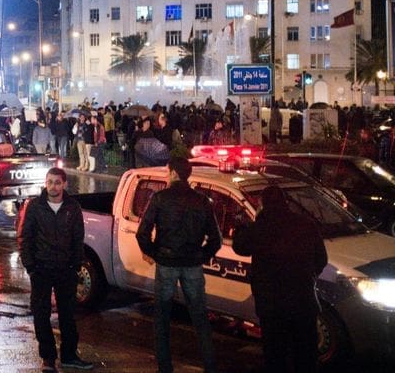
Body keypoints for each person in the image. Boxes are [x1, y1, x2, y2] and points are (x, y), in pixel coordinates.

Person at [136, 156, 221, 373]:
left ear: (173, 173)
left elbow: (142, 233)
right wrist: (201, 256)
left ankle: (165, 367)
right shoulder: (201, 200)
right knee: (200, 317)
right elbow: (216, 239)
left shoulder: (160, 198)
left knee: (162, 316)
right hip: (192, 263)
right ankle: (210, 366)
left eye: (168, 171)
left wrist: (153, 253)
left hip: (167, 263)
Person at [233, 185, 327, 373]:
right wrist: (306, 277)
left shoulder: (260, 227)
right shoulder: (306, 224)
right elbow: (321, 259)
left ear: (262, 204)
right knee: (305, 353)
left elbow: (240, 247)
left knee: (276, 354)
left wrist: (240, 227)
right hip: (303, 301)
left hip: (272, 304)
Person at [18, 167, 94, 372]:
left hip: (65, 269)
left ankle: (69, 355)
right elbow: (25, 238)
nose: (53, 186)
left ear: (64, 184)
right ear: (46, 183)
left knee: (68, 315)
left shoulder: (73, 207)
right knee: (41, 315)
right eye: (50, 182)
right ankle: (48, 359)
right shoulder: (35, 206)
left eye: (57, 182)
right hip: (41, 269)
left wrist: (75, 265)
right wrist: (31, 266)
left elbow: (78, 239)